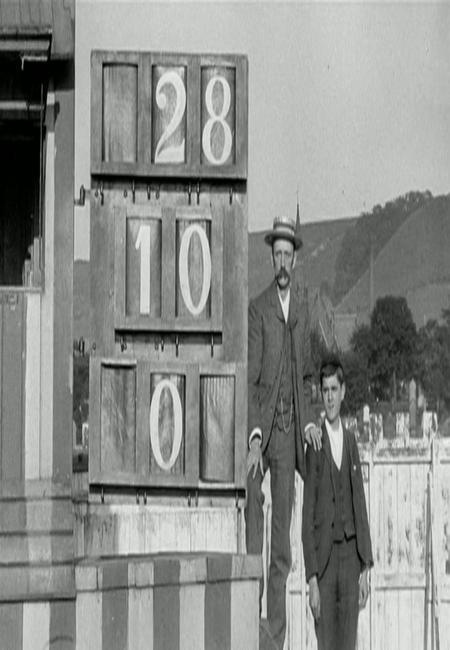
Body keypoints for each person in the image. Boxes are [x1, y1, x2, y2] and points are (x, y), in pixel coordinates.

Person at [246, 215, 321, 650]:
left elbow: (309, 375)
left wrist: (311, 420)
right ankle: (254, 623)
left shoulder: (305, 311)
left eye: (287, 255)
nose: (281, 261)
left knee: (284, 544)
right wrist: (255, 439)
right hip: (269, 438)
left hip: (296, 436)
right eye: (276, 253)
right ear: (271, 257)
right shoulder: (259, 309)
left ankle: (278, 635)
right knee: (254, 511)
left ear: (295, 260)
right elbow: (255, 383)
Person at [302, 355, 373, 650]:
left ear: (343, 392)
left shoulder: (352, 442)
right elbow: (307, 516)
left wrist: (365, 565)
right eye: (325, 391)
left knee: (348, 644)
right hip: (326, 561)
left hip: (350, 560)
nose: (330, 398)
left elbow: (360, 504)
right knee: (327, 643)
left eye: (334, 390)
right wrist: (312, 578)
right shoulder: (315, 444)